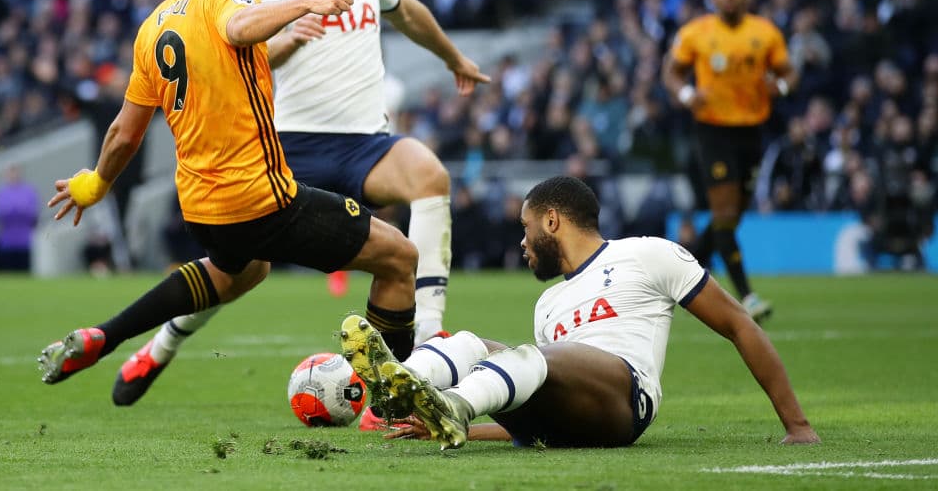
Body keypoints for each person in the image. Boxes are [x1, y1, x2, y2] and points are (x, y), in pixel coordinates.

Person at [111, 0, 489, 427]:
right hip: (289, 147)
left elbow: (407, 14)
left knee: (430, 177)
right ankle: (163, 344)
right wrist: (292, 31)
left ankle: (427, 336)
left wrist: (455, 57)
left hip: (365, 143)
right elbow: (250, 58)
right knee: (240, 269)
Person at [36, 0, 419, 404]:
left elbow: (123, 134)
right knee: (399, 258)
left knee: (244, 268)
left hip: (201, 209)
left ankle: (107, 335)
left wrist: (94, 184)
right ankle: (392, 406)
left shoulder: (153, 26)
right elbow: (239, 27)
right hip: (261, 199)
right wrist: (308, 0)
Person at [338, 176, 820, 450]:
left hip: (625, 401)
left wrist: (797, 425)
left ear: (552, 220)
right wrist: (466, 428)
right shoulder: (548, 303)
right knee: (469, 344)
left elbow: (739, 324)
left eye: (526, 229)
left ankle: (449, 403)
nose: (522, 243)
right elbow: (529, 406)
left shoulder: (647, 254)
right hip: (566, 415)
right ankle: (397, 388)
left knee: (529, 357)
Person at [661, 0, 797, 322]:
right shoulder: (696, 33)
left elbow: (789, 73)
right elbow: (671, 73)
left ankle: (676, 279)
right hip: (713, 131)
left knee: (731, 218)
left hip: (751, 132)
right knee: (723, 214)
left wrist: (779, 87)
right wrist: (689, 94)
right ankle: (747, 296)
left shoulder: (764, 32)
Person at [0, 164, 40, 271]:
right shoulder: (0, 193)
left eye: (15, 172)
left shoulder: (28, 191)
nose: (13, 175)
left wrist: (13, 212)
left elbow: (33, 214)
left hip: (25, 241)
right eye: (10, 173)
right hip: (6, 241)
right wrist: (18, 211)